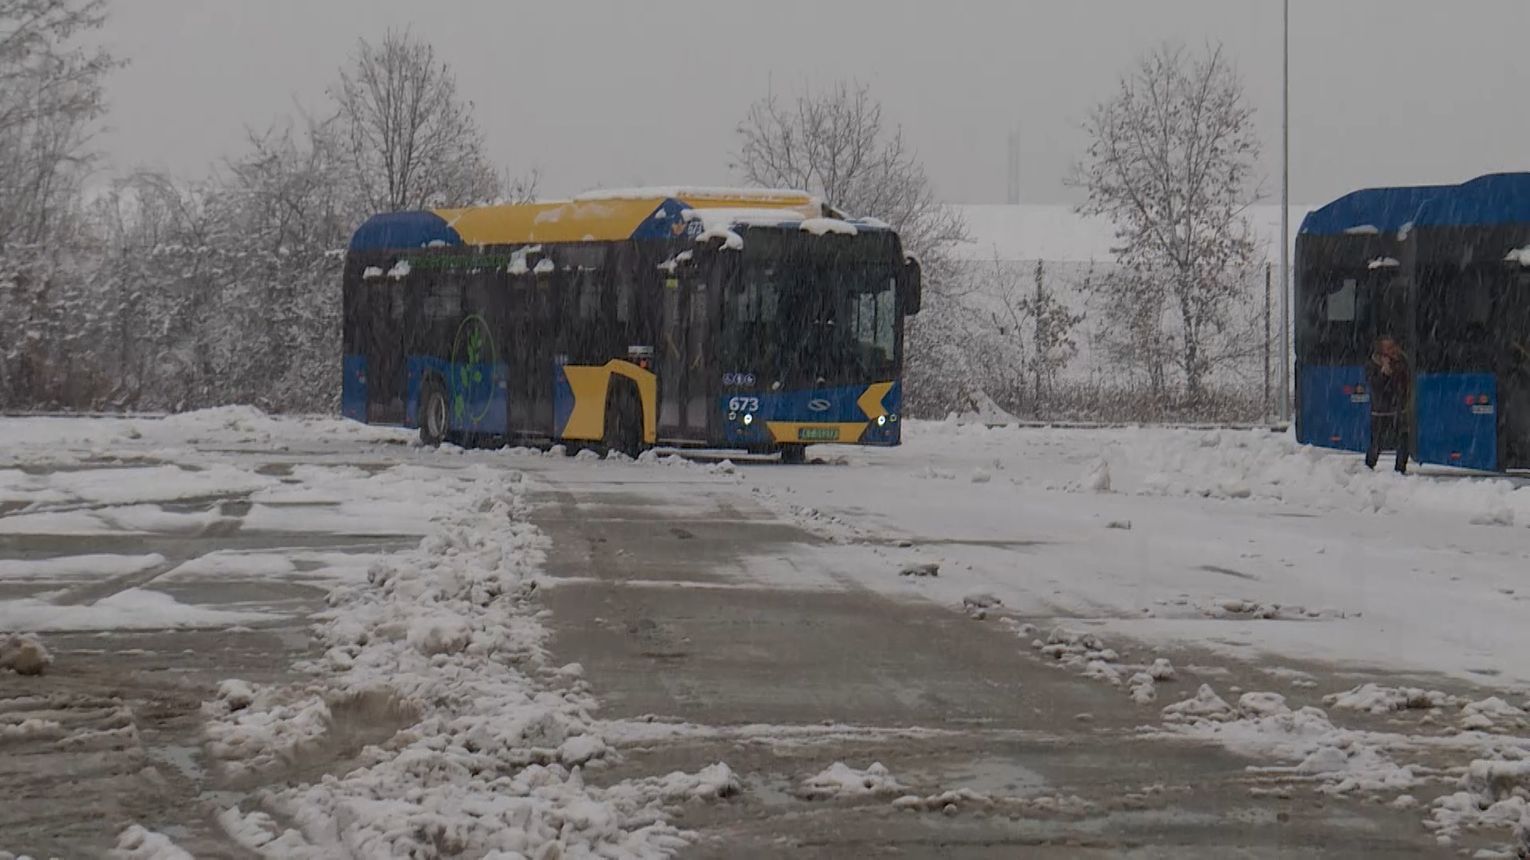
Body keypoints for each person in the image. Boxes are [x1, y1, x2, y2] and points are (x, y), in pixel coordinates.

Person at [1364, 335, 1411, 474]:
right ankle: (1368, 466)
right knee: (1377, 441)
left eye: (1392, 346)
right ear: (1382, 350)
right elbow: (1376, 385)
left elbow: (1404, 382)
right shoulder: (1374, 364)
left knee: (1403, 439)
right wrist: (1384, 373)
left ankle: (1400, 469)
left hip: (1398, 408)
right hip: (1380, 410)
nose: (1392, 350)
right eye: (1388, 348)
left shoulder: (1401, 362)